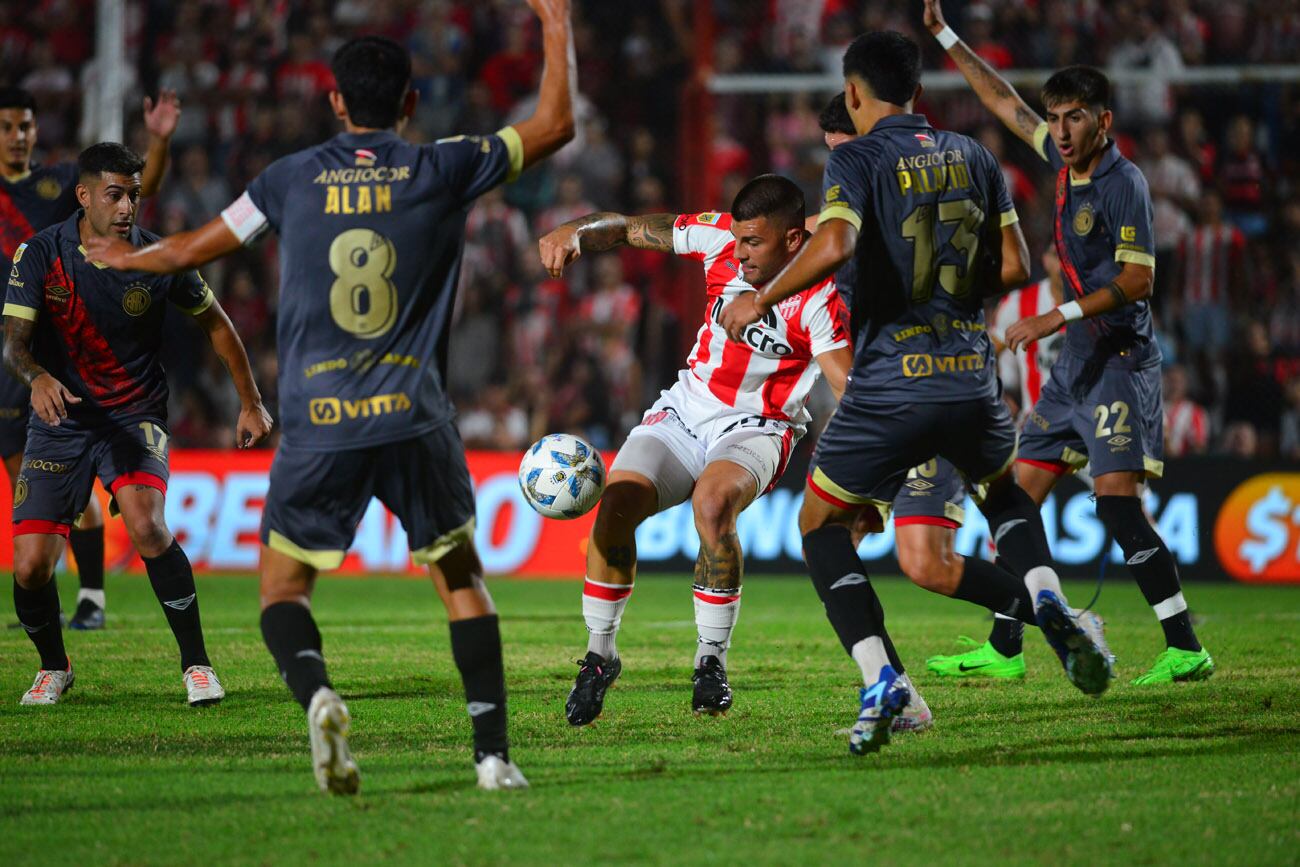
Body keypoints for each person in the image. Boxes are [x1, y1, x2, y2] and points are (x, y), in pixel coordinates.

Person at [83, 1, 577, 794]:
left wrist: (123, 259)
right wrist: (553, 21)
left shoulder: (287, 179)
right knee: (460, 577)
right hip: (415, 416)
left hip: (319, 422)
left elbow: (191, 248)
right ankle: (492, 756)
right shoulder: (443, 166)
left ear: (335, 101)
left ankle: (318, 696)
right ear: (411, 105)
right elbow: (554, 124)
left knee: (281, 591)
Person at [719, 31, 1112, 755]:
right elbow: (1017, 262)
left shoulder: (856, 158)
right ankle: (1049, 599)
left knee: (820, 529)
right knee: (1005, 497)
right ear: (919, 91)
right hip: (969, 377)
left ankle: (884, 681)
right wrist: (946, 291)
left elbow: (834, 245)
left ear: (857, 93)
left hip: (890, 382)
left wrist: (762, 299)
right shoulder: (976, 155)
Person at [540, 175, 944, 729]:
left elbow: (847, 387)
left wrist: (895, 450)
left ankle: (711, 660)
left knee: (711, 504)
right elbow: (633, 229)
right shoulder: (717, 240)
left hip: (760, 425)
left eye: (755, 242)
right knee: (615, 506)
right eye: (740, 239)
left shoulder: (819, 295)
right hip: (686, 409)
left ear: (794, 241)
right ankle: (600, 654)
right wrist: (577, 231)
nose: (743, 251)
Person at [922, 0, 1213, 686]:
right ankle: (1006, 645)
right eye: (1054, 119)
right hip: (1077, 365)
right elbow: (1002, 100)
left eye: (1074, 117)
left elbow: (1139, 279)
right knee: (1013, 500)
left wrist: (1058, 315)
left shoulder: (1124, 185)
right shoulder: (1058, 155)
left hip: (1118, 360)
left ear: (1103, 120)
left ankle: (1185, 645)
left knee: (1114, 502)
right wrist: (945, 34)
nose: (1060, 130)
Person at [4, 142, 271, 707]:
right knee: (29, 567)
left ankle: (196, 665)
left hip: (133, 414)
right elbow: (15, 345)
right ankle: (55, 667)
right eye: (115, 195)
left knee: (148, 527)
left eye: (134, 195)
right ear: (84, 196)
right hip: (61, 420)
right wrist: (37, 378)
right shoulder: (40, 255)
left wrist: (250, 400)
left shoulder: (161, 257)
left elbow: (218, 326)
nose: (128, 206)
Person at [0, 85, 179, 629]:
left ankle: (93, 598)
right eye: (7, 126)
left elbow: (129, 192)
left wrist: (158, 140)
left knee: (70, 485)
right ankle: (48, 601)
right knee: (24, 485)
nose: (18, 136)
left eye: (25, 126)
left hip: (46, 348)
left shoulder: (55, 186)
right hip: (10, 348)